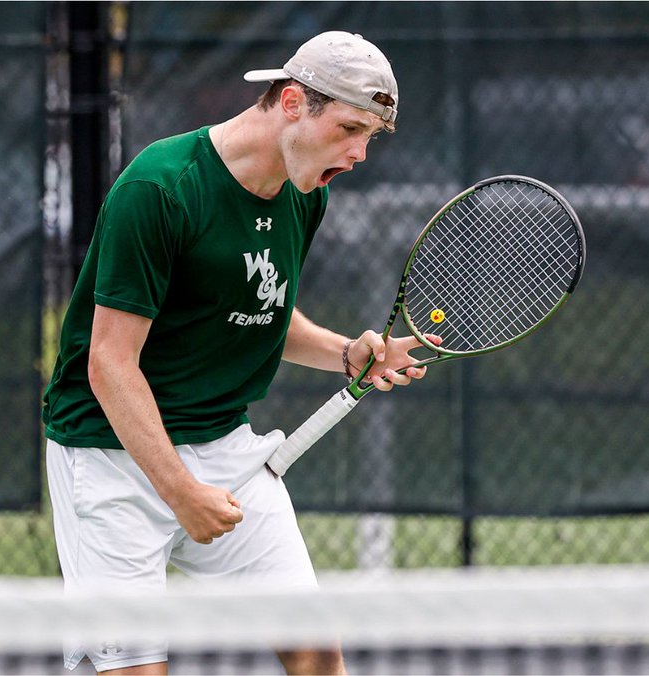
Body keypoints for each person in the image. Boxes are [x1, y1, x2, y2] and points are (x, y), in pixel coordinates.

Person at [42, 31, 435, 675]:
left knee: (315, 654)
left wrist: (346, 352)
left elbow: (259, 304)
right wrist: (180, 491)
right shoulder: (162, 187)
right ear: (289, 103)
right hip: (111, 455)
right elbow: (109, 363)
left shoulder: (306, 192)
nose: (360, 153)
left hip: (226, 448)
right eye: (349, 128)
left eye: (370, 136)